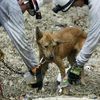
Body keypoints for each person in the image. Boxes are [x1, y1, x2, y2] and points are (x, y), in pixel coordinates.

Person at [53, 0, 100, 84]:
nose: (75, 7)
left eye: (73, 4)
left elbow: (93, 39)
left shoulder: (97, 8)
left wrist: (77, 66)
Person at [0, 0, 43, 75]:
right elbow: (21, 40)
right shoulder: (12, 5)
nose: (23, 12)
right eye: (27, 8)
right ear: (23, 1)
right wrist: (35, 66)